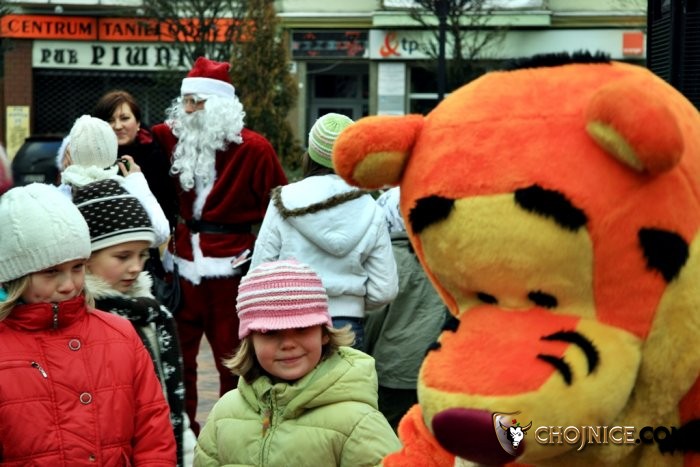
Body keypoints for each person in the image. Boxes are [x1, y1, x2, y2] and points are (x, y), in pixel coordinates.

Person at [151, 56, 288, 434]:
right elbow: (131, 133)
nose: (189, 110)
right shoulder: (171, 138)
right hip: (182, 265)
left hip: (231, 266)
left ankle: (234, 431)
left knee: (234, 357)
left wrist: (263, 259)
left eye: (198, 102)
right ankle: (182, 432)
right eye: (186, 101)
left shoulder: (255, 149)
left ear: (221, 106)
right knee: (178, 357)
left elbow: (280, 208)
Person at [0, 183, 176, 465]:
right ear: (15, 276)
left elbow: (153, 432)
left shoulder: (120, 334)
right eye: (51, 272)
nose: (69, 284)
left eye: (77, 267)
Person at [194, 259, 402, 466]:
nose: (288, 344)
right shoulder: (224, 413)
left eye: (302, 329)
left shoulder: (358, 422)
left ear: (324, 333)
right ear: (250, 340)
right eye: (270, 332)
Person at [73, 178, 196, 466]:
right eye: (122, 256)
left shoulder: (151, 313)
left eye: (142, 255)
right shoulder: (80, 322)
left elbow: (171, 403)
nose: (136, 267)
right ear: (85, 257)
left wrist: (188, 455)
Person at [250, 113, 398, 351]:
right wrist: (352, 302)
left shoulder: (284, 200)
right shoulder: (371, 208)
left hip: (292, 321)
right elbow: (385, 289)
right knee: (346, 377)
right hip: (348, 325)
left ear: (310, 154)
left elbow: (260, 271)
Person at [365, 186, 450, 430]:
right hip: (437, 370)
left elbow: (373, 317)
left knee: (392, 437)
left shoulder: (385, 259)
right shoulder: (446, 258)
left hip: (392, 370)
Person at [58, 114, 170, 257]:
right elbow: (160, 232)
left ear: (71, 152)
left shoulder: (59, 197)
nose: (118, 126)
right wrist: (137, 180)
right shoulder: (124, 193)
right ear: (112, 148)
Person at [93, 89, 178, 228]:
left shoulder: (157, 153)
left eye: (124, 118)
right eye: (110, 120)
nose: (118, 126)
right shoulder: (90, 157)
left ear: (138, 122)